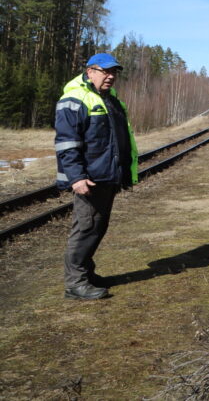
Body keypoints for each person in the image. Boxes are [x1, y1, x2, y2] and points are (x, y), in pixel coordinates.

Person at [55, 52, 138, 300]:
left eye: (114, 72)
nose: (111, 76)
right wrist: (76, 178)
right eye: (105, 71)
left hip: (106, 176)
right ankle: (75, 283)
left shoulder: (109, 99)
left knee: (97, 228)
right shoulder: (75, 98)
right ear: (90, 71)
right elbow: (66, 143)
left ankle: (87, 274)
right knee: (86, 229)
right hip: (89, 178)